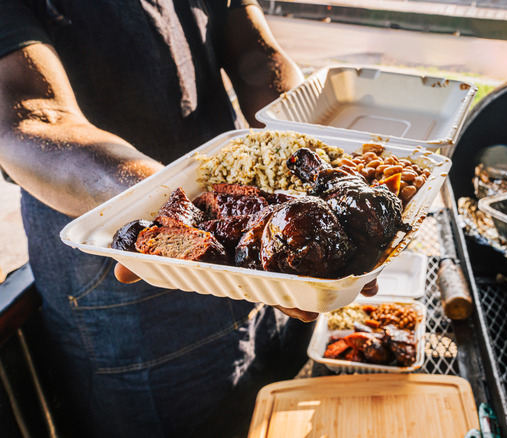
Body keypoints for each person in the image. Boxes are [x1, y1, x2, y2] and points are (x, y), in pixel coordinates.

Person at [0, 1, 376, 436]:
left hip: (257, 253)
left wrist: (311, 164)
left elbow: (257, 55)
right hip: (129, 296)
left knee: (271, 410)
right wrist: (162, 207)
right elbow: (30, 119)